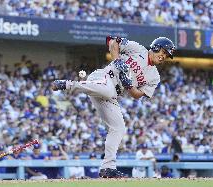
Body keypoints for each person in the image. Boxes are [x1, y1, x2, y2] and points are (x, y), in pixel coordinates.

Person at [52, 36, 175, 178]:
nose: (163, 57)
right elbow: (113, 42)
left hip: (112, 94)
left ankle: (108, 167)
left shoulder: (155, 76)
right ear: (155, 47)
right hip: (103, 78)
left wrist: (129, 85)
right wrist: (117, 60)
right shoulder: (137, 48)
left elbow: (137, 94)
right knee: (108, 90)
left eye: (166, 55)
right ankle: (67, 84)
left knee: (119, 128)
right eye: (163, 52)